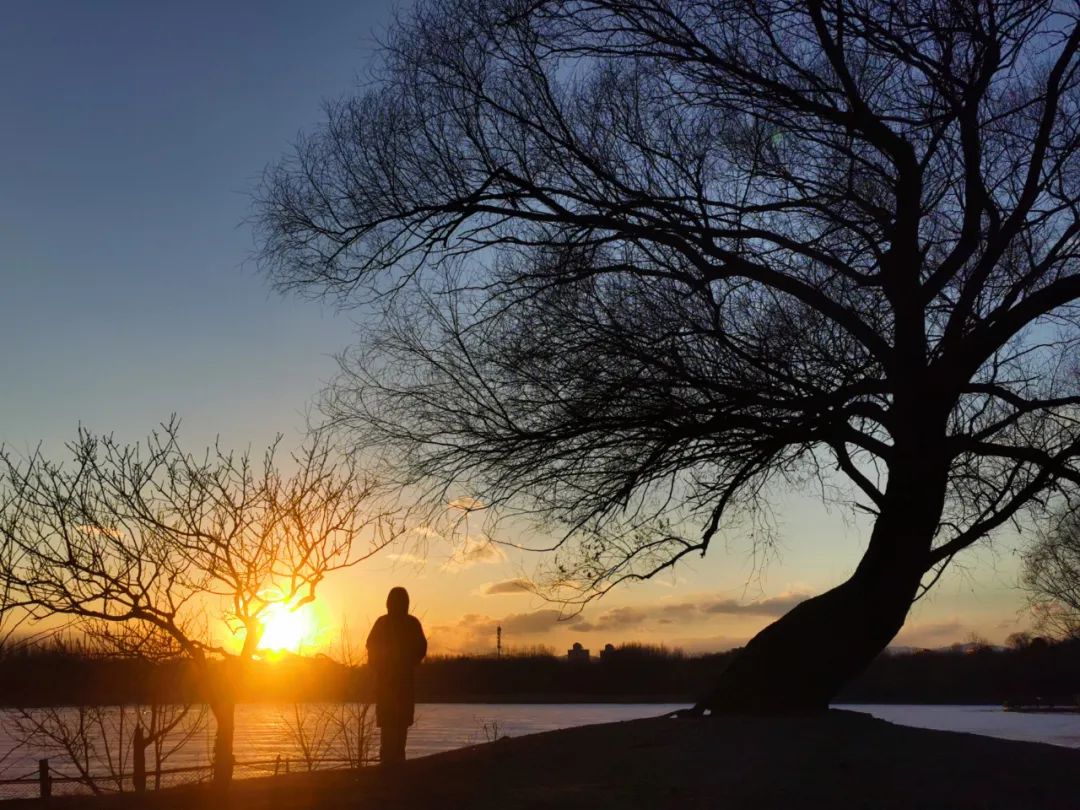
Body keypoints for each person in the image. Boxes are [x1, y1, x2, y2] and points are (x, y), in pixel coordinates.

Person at [366, 586, 427, 765]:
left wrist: (381, 666)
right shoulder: (407, 623)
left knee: (393, 732)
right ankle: (393, 767)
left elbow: (371, 647)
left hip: (394, 686)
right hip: (397, 686)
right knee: (395, 732)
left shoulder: (386, 623)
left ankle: (390, 767)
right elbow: (372, 647)